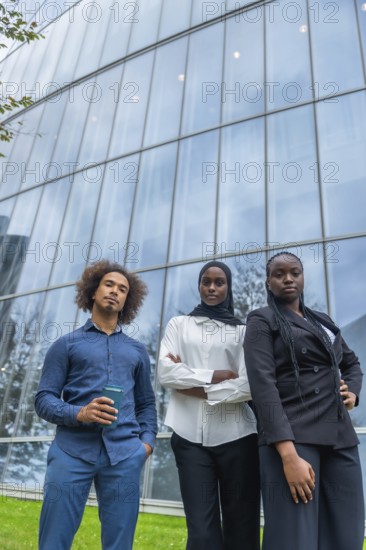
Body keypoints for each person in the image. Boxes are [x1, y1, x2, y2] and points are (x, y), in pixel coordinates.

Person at [244, 252, 364, 550]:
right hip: (293, 438)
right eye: (279, 274)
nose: (287, 278)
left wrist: (353, 392)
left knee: (346, 532)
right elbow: (263, 388)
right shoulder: (261, 320)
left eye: (294, 272)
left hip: (340, 436)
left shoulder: (322, 321)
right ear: (268, 282)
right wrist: (288, 455)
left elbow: (351, 363)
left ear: (302, 277)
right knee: (294, 538)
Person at [35, 260, 157, 550]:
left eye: (122, 289)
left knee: (119, 545)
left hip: (125, 456)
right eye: (109, 284)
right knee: (53, 540)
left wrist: (146, 444)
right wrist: (79, 412)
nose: (115, 291)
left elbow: (147, 404)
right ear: (93, 291)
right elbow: (43, 399)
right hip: (70, 453)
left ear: (128, 300)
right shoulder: (65, 345)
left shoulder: (137, 351)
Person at [158, 260, 260, 550]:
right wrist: (215, 376)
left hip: (238, 437)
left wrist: (194, 388)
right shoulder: (178, 325)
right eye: (206, 281)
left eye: (219, 282)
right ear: (199, 285)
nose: (212, 287)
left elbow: (248, 385)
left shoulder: (242, 331)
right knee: (201, 534)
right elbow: (165, 373)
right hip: (189, 439)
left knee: (242, 530)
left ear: (228, 287)